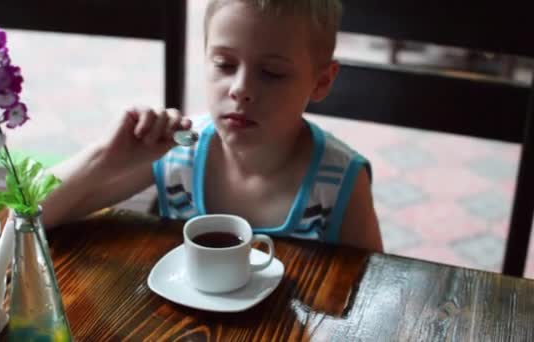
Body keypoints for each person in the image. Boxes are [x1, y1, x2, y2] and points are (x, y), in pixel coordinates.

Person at [42, 0, 383, 252]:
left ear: (321, 81)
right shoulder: (177, 152)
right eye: (224, 64)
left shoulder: (339, 182)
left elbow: (373, 283)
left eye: (272, 73)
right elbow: (29, 216)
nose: (241, 89)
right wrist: (104, 157)